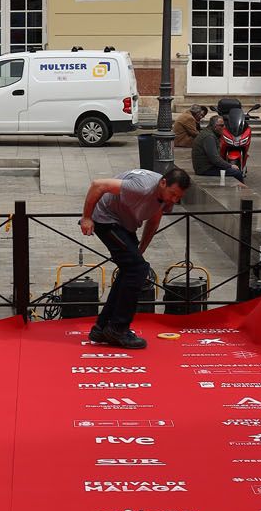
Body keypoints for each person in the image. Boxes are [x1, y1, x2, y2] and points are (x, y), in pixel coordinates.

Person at [80, 164, 190, 350]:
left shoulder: (164, 196)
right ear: (163, 183)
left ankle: (101, 328)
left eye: (179, 197)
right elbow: (98, 184)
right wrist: (86, 218)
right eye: (173, 194)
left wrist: (141, 249)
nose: (174, 200)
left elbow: (154, 220)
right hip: (106, 218)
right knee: (137, 270)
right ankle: (118, 328)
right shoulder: (142, 186)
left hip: (125, 223)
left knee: (132, 268)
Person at [190, 112, 241, 182]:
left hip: (206, 166)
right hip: (205, 169)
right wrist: (230, 166)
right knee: (237, 173)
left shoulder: (209, 133)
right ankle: (242, 191)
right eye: (221, 126)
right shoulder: (209, 137)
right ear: (215, 126)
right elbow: (215, 158)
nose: (224, 128)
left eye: (224, 125)